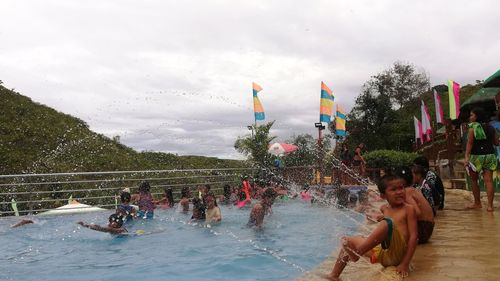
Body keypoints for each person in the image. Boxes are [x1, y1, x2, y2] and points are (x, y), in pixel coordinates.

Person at [328, 175, 418, 280]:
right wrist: (377, 217)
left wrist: (405, 264)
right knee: (348, 241)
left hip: (397, 255)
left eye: (401, 188)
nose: (399, 192)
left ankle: (357, 252)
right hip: (384, 253)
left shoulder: (409, 209)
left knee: (386, 223)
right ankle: (334, 275)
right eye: (394, 189)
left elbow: (414, 237)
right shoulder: (384, 208)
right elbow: (393, 221)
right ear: (383, 196)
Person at [465, 107, 499, 212]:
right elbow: (496, 143)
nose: (470, 117)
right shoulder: (491, 128)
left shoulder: (472, 128)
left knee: (474, 180)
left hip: (476, 158)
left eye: (472, 115)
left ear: (476, 116)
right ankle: (490, 206)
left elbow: (470, 144)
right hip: (489, 156)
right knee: (489, 181)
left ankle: (477, 203)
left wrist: (466, 157)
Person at [395, 166, 435, 244]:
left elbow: (416, 212)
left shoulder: (406, 192)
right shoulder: (413, 189)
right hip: (427, 228)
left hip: (423, 229)